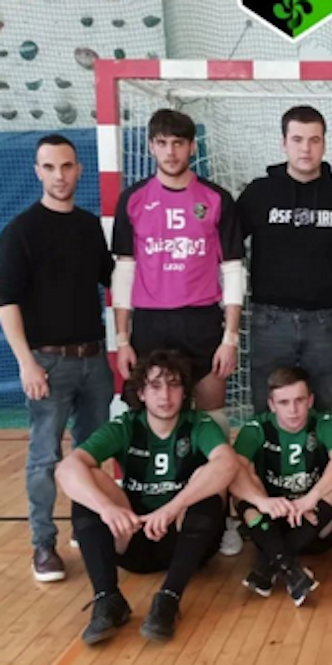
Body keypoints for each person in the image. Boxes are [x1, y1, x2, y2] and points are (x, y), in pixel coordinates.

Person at [55, 350, 238, 644]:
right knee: (89, 484)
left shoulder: (198, 424)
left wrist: (172, 508)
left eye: (174, 385)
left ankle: (169, 598)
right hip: (133, 536)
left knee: (211, 484)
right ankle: (107, 598)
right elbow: (66, 469)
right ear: (141, 392)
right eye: (155, 386)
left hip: (182, 537)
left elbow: (228, 464)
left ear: (184, 392)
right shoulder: (127, 425)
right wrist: (107, 509)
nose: (165, 395)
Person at [0, 135, 115, 582]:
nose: (59, 175)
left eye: (66, 166)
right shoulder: (21, 231)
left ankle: (86, 527)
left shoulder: (88, 227)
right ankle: (43, 544)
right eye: (49, 167)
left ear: (79, 169)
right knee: (45, 456)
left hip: (93, 360)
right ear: (37, 172)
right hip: (47, 364)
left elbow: (112, 278)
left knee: (91, 452)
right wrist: (26, 363)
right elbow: (7, 303)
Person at [237, 105, 332, 414]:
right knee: (266, 410)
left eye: (314, 140)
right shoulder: (259, 193)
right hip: (269, 322)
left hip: (324, 323)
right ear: (283, 143)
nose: (306, 148)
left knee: (325, 408)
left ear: (324, 144)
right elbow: (227, 245)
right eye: (297, 139)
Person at [111, 108, 244, 434]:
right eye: (162, 143)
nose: (170, 152)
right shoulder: (133, 200)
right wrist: (122, 339)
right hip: (150, 323)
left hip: (201, 321)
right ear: (150, 147)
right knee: (147, 412)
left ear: (192, 147)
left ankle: (216, 469)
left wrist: (230, 338)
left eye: (178, 143)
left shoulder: (217, 199)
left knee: (212, 413)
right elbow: (124, 272)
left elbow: (233, 270)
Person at [229, 367, 332, 606]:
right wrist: (263, 502)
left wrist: (311, 499)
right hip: (273, 521)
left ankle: (269, 564)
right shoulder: (256, 428)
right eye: (284, 402)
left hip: (315, 524)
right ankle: (290, 568)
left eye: (299, 400)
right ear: (272, 405)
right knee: (241, 475)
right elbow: (232, 472)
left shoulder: (325, 422)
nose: (293, 410)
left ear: (310, 401)